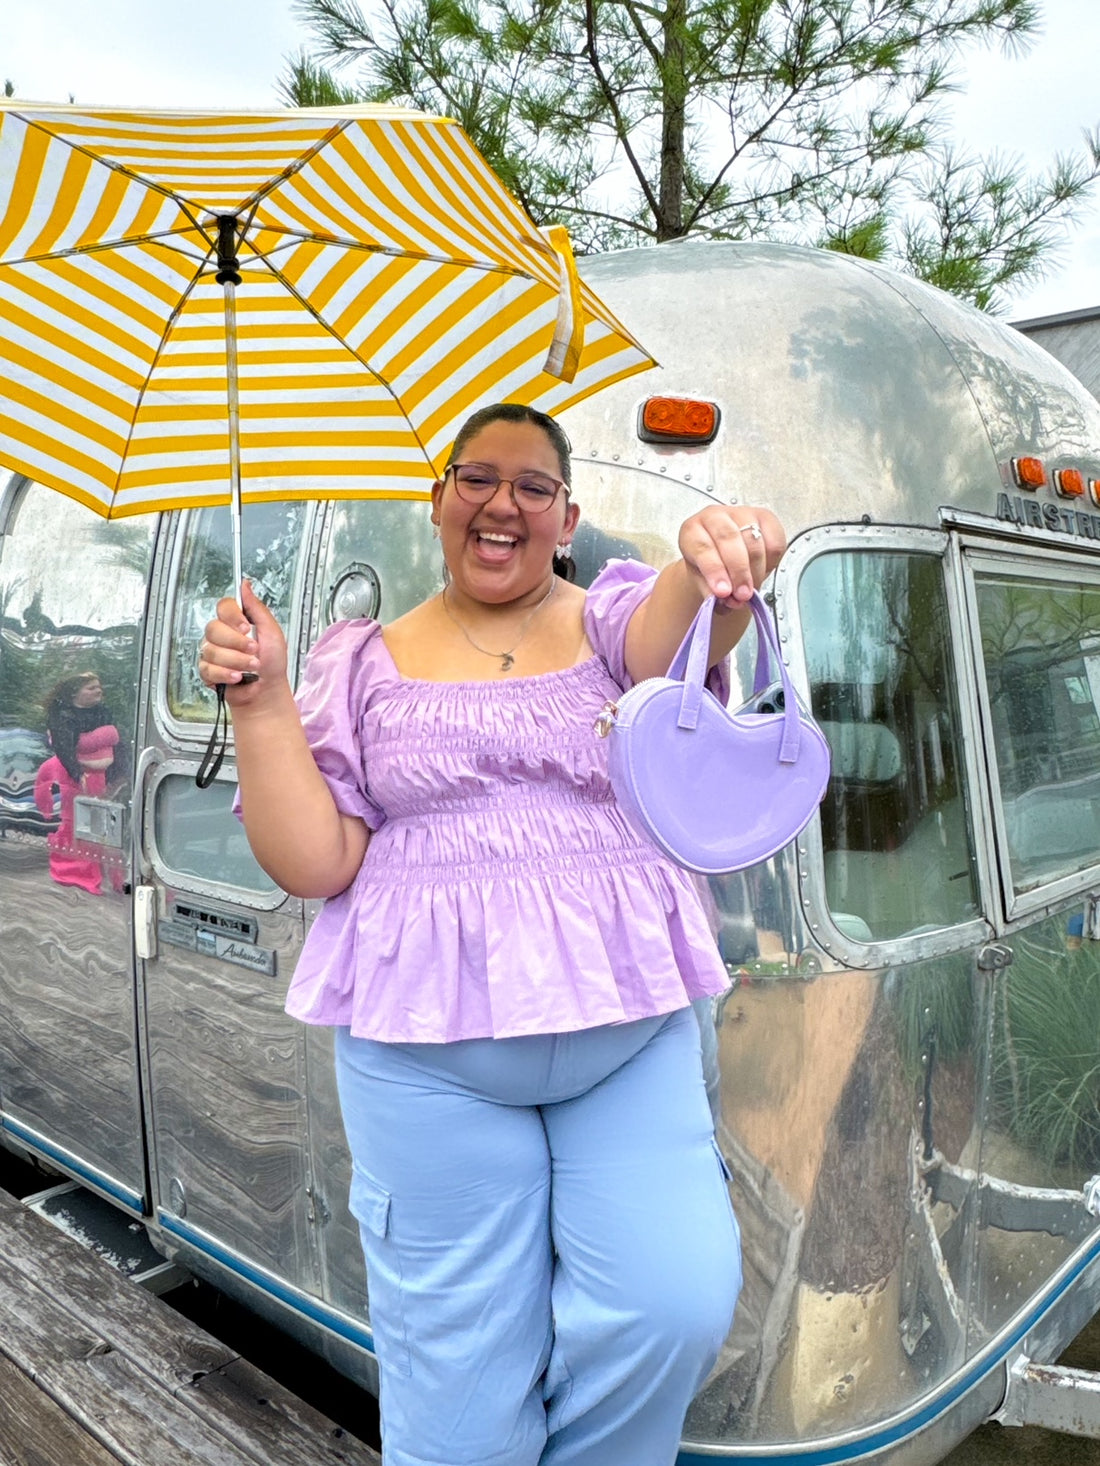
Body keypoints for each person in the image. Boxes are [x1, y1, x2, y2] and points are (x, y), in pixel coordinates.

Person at [197, 402, 786, 1466]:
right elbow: (314, 861)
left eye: (532, 484)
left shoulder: (608, 619)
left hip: (627, 1029)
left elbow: (671, 637)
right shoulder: (361, 658)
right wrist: (262, 700)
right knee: (461, 1392)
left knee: (675, 1302)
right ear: (437, 502)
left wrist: (708, 571)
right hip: (429, 1060)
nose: (501, 501)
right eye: (475, 477)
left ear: (567, 517)